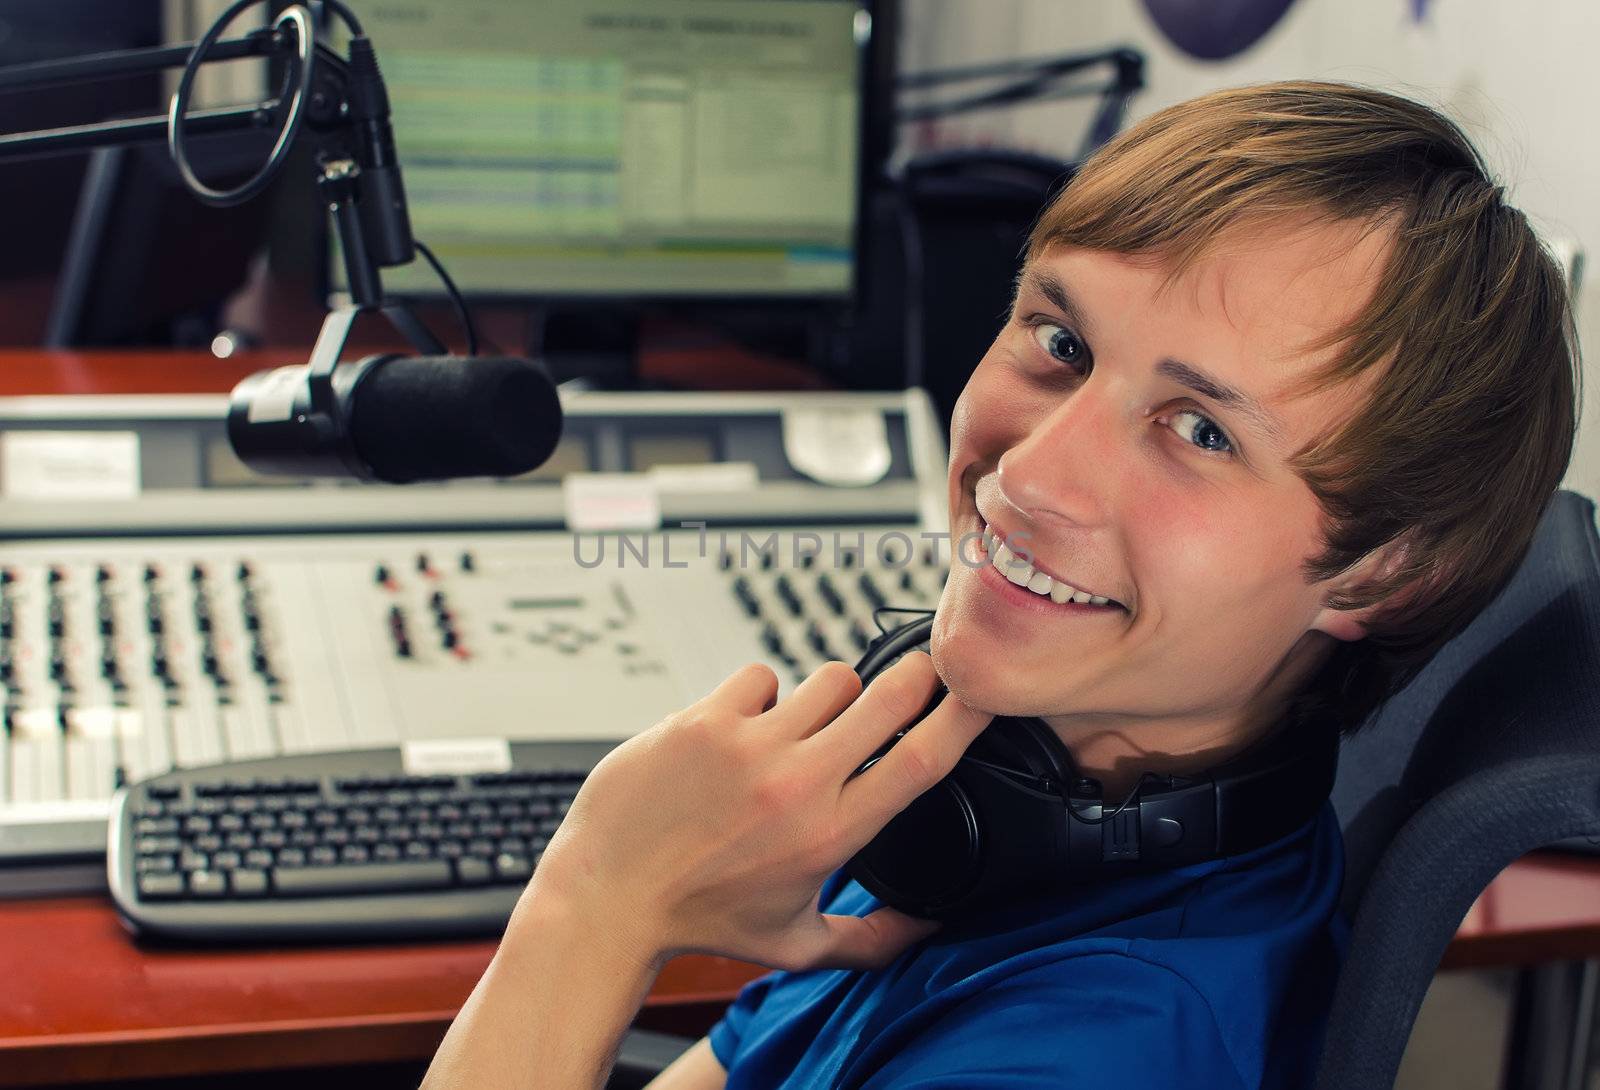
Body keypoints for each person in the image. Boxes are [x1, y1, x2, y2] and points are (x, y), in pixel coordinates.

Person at [420, 81, 1579, 1089]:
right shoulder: (1003, 794)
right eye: (1060, 344)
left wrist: (591, 907)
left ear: (1382, 566)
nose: (1028, 474)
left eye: (1198, 430)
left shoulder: (1084, 1055)